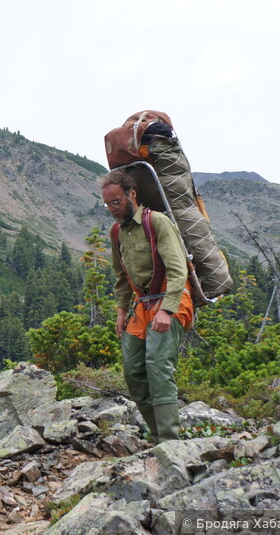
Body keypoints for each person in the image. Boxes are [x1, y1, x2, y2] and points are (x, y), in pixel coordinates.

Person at [101, 169, 193, 443]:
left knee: (157, 366)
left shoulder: (158, 222)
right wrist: (120, 312)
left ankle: (169, 441)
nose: (112, 209)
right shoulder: (116, 231)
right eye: (107, 204)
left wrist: (167, 309)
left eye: (116, 202)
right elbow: (120, 277)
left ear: (132, 194)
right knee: (133, 372)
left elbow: (178, 270)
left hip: (172, 300)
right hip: (141, 307)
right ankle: (156, 434)